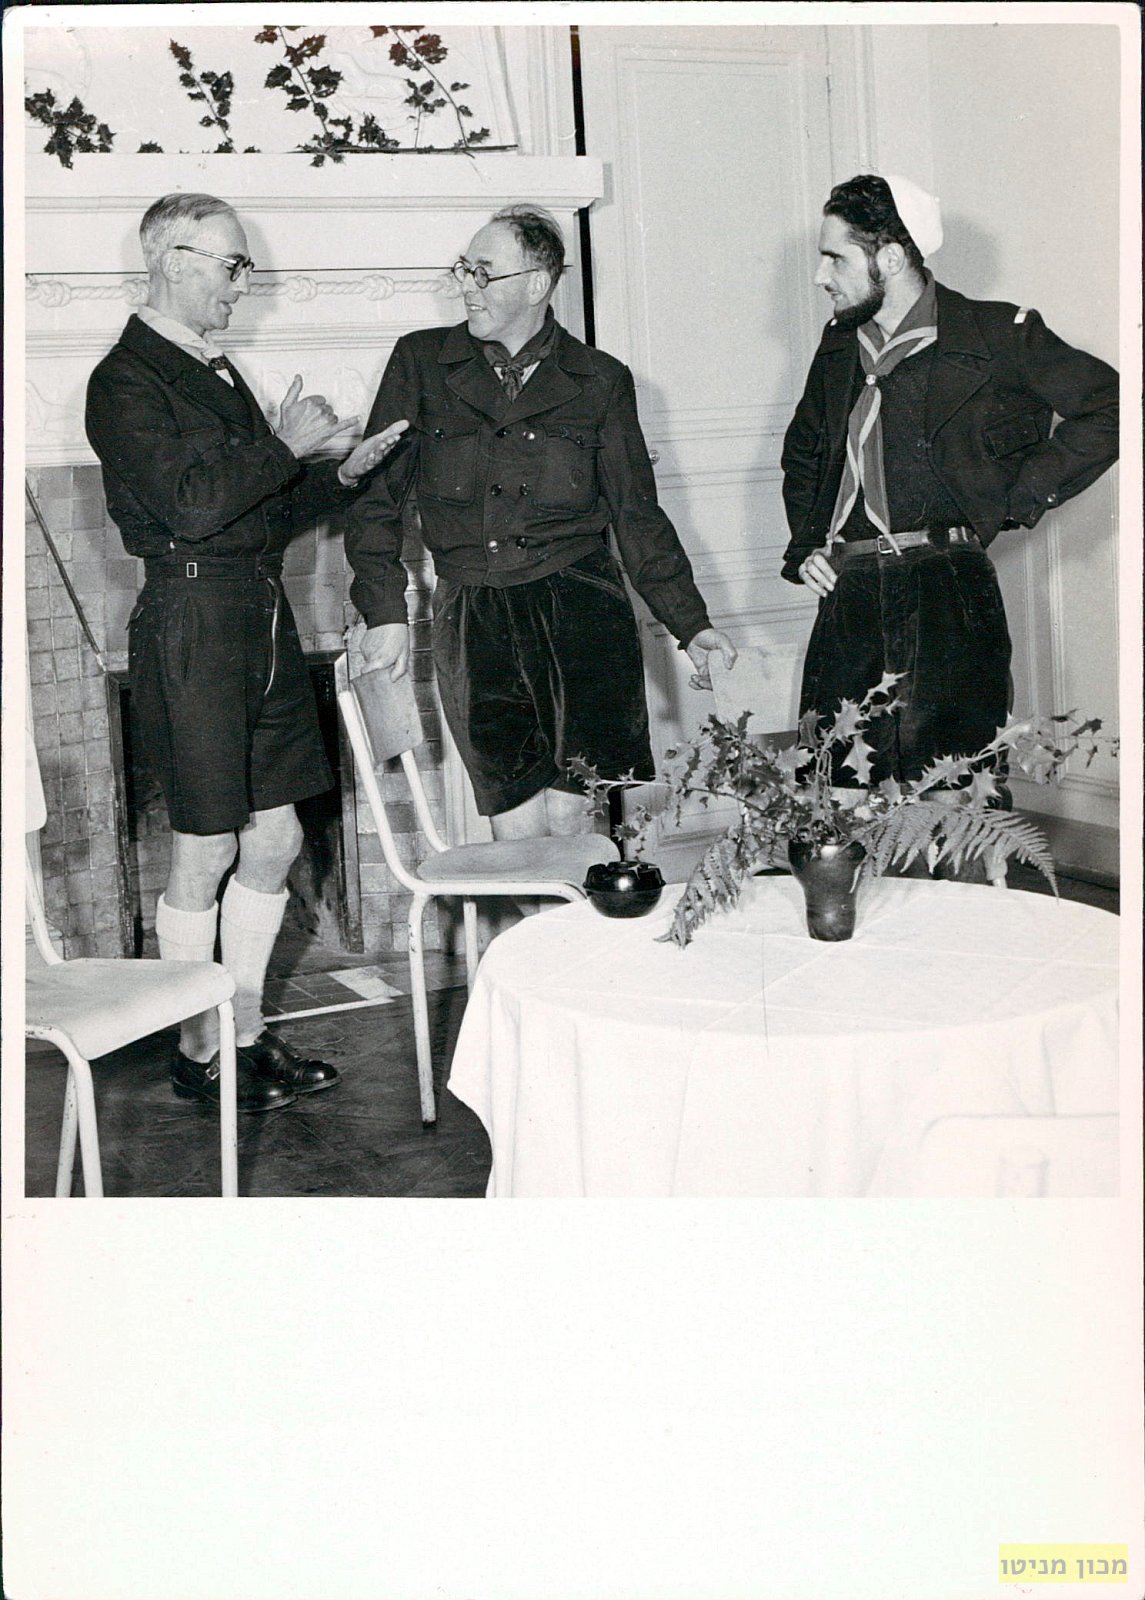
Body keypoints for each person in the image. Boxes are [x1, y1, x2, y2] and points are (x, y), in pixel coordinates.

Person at [85, 192, 407, 1112]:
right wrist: (284, 445)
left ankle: (246, 1032)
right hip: (191, 622)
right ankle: (198, 1052)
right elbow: (192, 507)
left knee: (276, 835)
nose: (241, 284)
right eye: (231, 265)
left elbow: (260, 511)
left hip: (259, 615)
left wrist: (339, 473)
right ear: (172, 259)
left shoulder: (216, 371)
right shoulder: (124, 379)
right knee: (206, 843)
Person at [344, 204, 735, 841]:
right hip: (473, 616)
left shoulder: (600, 380)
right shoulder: (420, 361)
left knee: (575, 816)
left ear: (536, 284)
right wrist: (384, 609)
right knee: (514, 826)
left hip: (579, 610)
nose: (466, 286)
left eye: (483, 272)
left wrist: (692, 625)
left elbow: (636, 513)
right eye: (463, 269)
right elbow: (375, 499)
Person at [781, 173, 1118, 786]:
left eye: (835, 258)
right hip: (850, 594)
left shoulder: (995, 333)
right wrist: (806, 545)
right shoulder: (839, 346)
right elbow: (804, 452)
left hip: (948, 594)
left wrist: (1014, 499)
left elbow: (1110, 405)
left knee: (955, 790)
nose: (820, 276)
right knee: (835, 788)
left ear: (889, 258)